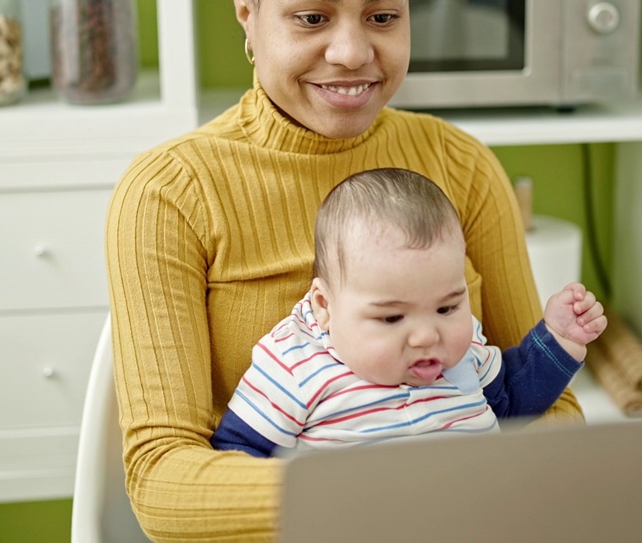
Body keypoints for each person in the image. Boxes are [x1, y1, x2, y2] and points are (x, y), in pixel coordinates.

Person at [105, 0, 587, 539]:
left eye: (385, 15)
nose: (353, 51)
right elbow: (165, 482)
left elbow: (544, 410)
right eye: (310, 16)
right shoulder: (169, 194)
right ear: (248, 14)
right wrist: (387, 500)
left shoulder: (460, 166)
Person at [210, 168, 606, 457]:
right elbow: (238, 456)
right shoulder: (297, 365)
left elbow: (513, 401)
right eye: (392, 318)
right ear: (325, 307)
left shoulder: (463, 354)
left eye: (447, 307)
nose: (426, 336)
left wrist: (560, 339)